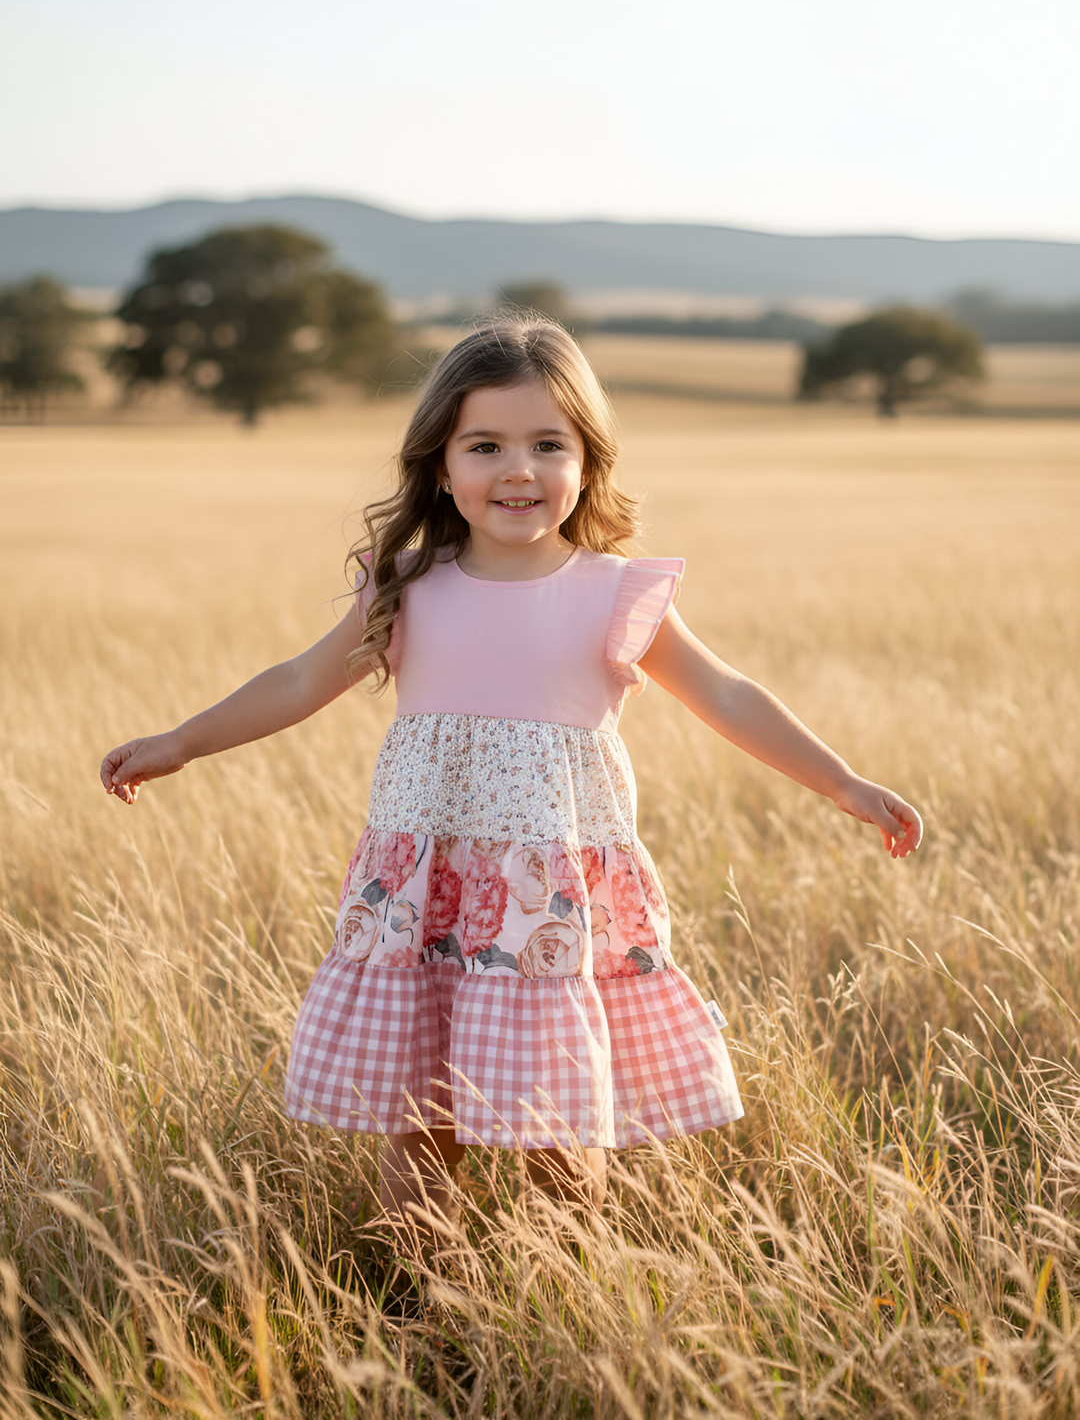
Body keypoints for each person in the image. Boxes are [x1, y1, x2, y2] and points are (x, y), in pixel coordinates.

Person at [100, 318, 921, 1236]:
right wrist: (183, 740)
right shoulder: (408, 586)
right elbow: (299, 680)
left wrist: (843, 782)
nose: (517, 470)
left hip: (549, 907)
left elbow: (728, 696)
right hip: (427, 896)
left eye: (547, 445)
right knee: (422, 1124)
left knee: (559, 1129)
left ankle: (556, 1296)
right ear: (441, 465)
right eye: (485, 445)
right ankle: (427, 1306)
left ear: (586, 461)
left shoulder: (616, 592)